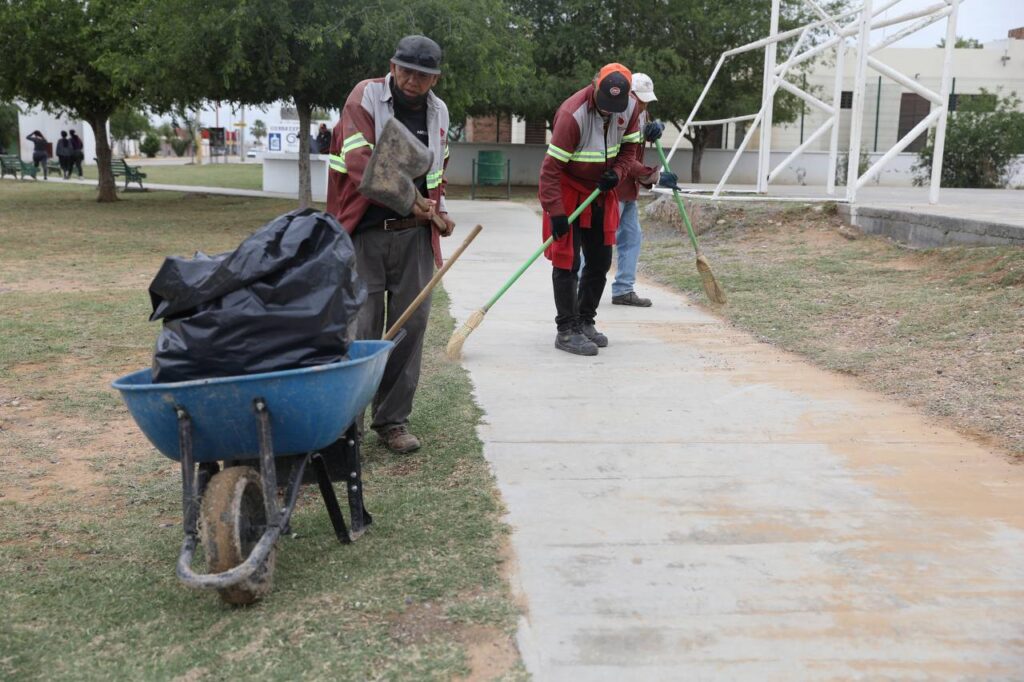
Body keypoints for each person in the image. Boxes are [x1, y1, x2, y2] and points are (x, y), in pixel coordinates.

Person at [326, 35, 455, 454]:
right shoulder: (365, 97)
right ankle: (348, 428)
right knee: (361, 329)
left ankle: (393, 421)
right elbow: (361, 162)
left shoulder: (439, 112)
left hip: (414, 237)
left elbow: (436, 173)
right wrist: (415, 202)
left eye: (424, 75)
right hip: (363, 232)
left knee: (411, 326)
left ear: (435, 78)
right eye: (407, 71)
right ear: (392, 66)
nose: (414, 81)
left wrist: (436, 211)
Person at [539, 63, 660, 356]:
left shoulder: (630, 109)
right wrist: (556, 213)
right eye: (605, 104)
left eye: (614, 107)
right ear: (595, 86)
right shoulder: (572, 115)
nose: (609, 111)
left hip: (601, 190)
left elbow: (629, 152)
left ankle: (585, 320)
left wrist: (617, 174)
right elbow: (550, 171)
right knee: (567, 262)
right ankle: (566, 330)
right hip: (568, 190)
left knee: (600, 260)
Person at [610, 74, 678, 308]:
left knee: (631, 237)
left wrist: (657, 126)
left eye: (647, 101)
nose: (643, 105)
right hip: (613, 188)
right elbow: (623, 159)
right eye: (640, 100)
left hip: (629, 189)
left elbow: (643, 136)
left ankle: (623, 290)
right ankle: (578, 287)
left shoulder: (642, 112)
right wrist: (655, 176)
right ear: (629, 94)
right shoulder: (617, 116)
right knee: (600, 240)